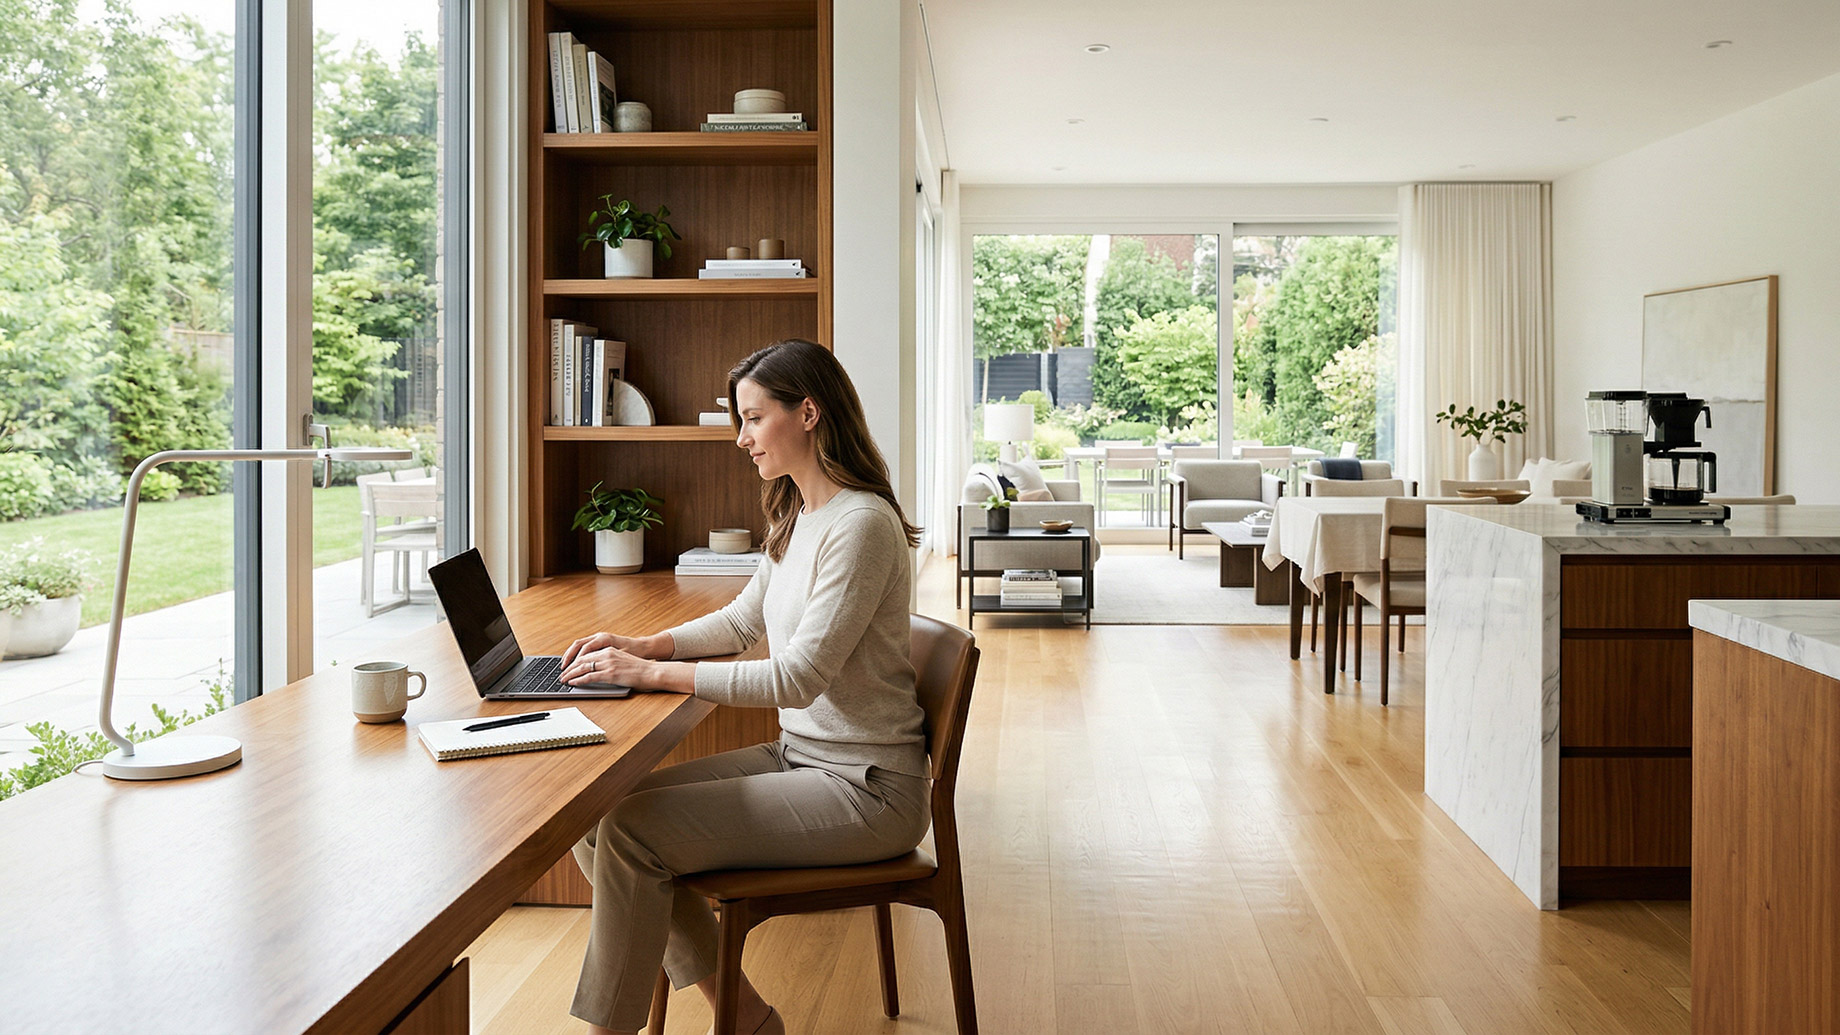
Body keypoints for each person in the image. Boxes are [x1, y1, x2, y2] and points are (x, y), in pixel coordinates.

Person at [559, 338, 928, 1035]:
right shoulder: (798, 511)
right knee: (600, 812)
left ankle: (613, 1029)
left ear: (808, 412)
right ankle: (747, 1015)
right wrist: (644, 643)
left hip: (869, 786)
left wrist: (648, 674)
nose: (740, 437)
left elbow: (798, 676)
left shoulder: (862, 525)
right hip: (804, 758)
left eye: (754, 418)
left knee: (635, 831)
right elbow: (740, 620)